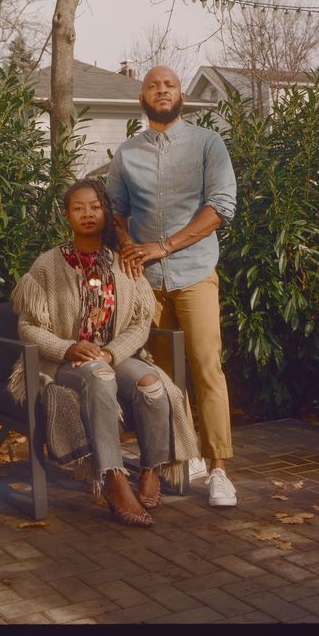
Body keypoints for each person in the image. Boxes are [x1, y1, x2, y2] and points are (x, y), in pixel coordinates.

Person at [8, 178, 198, 528]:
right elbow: (28, 327)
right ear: (66, 215)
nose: (87, 214)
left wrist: (111, 353)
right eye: (78, 208)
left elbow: (140, 323)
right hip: (66, 362)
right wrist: (67, 347)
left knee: (151, 385)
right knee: (99, 376)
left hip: (113, 355)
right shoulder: (48, 265)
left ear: (106, 212)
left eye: (95, 207)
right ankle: (113, 477)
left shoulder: (122, 264)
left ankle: (150, 468)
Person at [106, 65, 238, 508]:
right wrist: (127, 243)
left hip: (195, 272)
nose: (161, 91)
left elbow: (220, 207)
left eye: (169, 85)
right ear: (141, 97)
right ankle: (187, 455)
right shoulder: (127, 154)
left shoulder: (207, 143)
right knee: (162, 376)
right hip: (146, 282)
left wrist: (164, 246)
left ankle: (219, 470)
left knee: (206, 367)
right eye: (152, 86)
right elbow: (117, 212)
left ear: (181, 94)